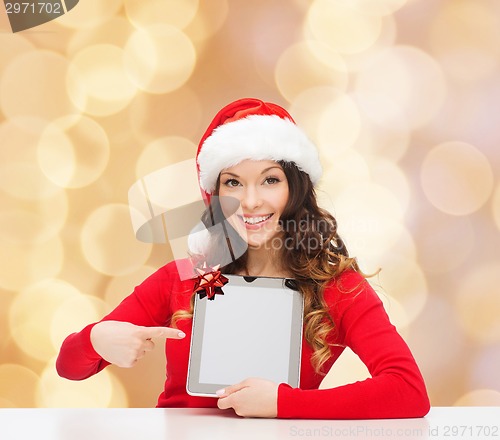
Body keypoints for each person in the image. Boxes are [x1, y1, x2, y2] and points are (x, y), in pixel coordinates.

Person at [56, 98, 430, 419]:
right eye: (233, 182)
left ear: (295, 188)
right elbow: (69, 367)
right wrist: (95, 339)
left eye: (270, 180)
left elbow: (408, 391)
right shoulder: (183, 278)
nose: (250, 202)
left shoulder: (337, 286)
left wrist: (284, 403)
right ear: (215, 195)